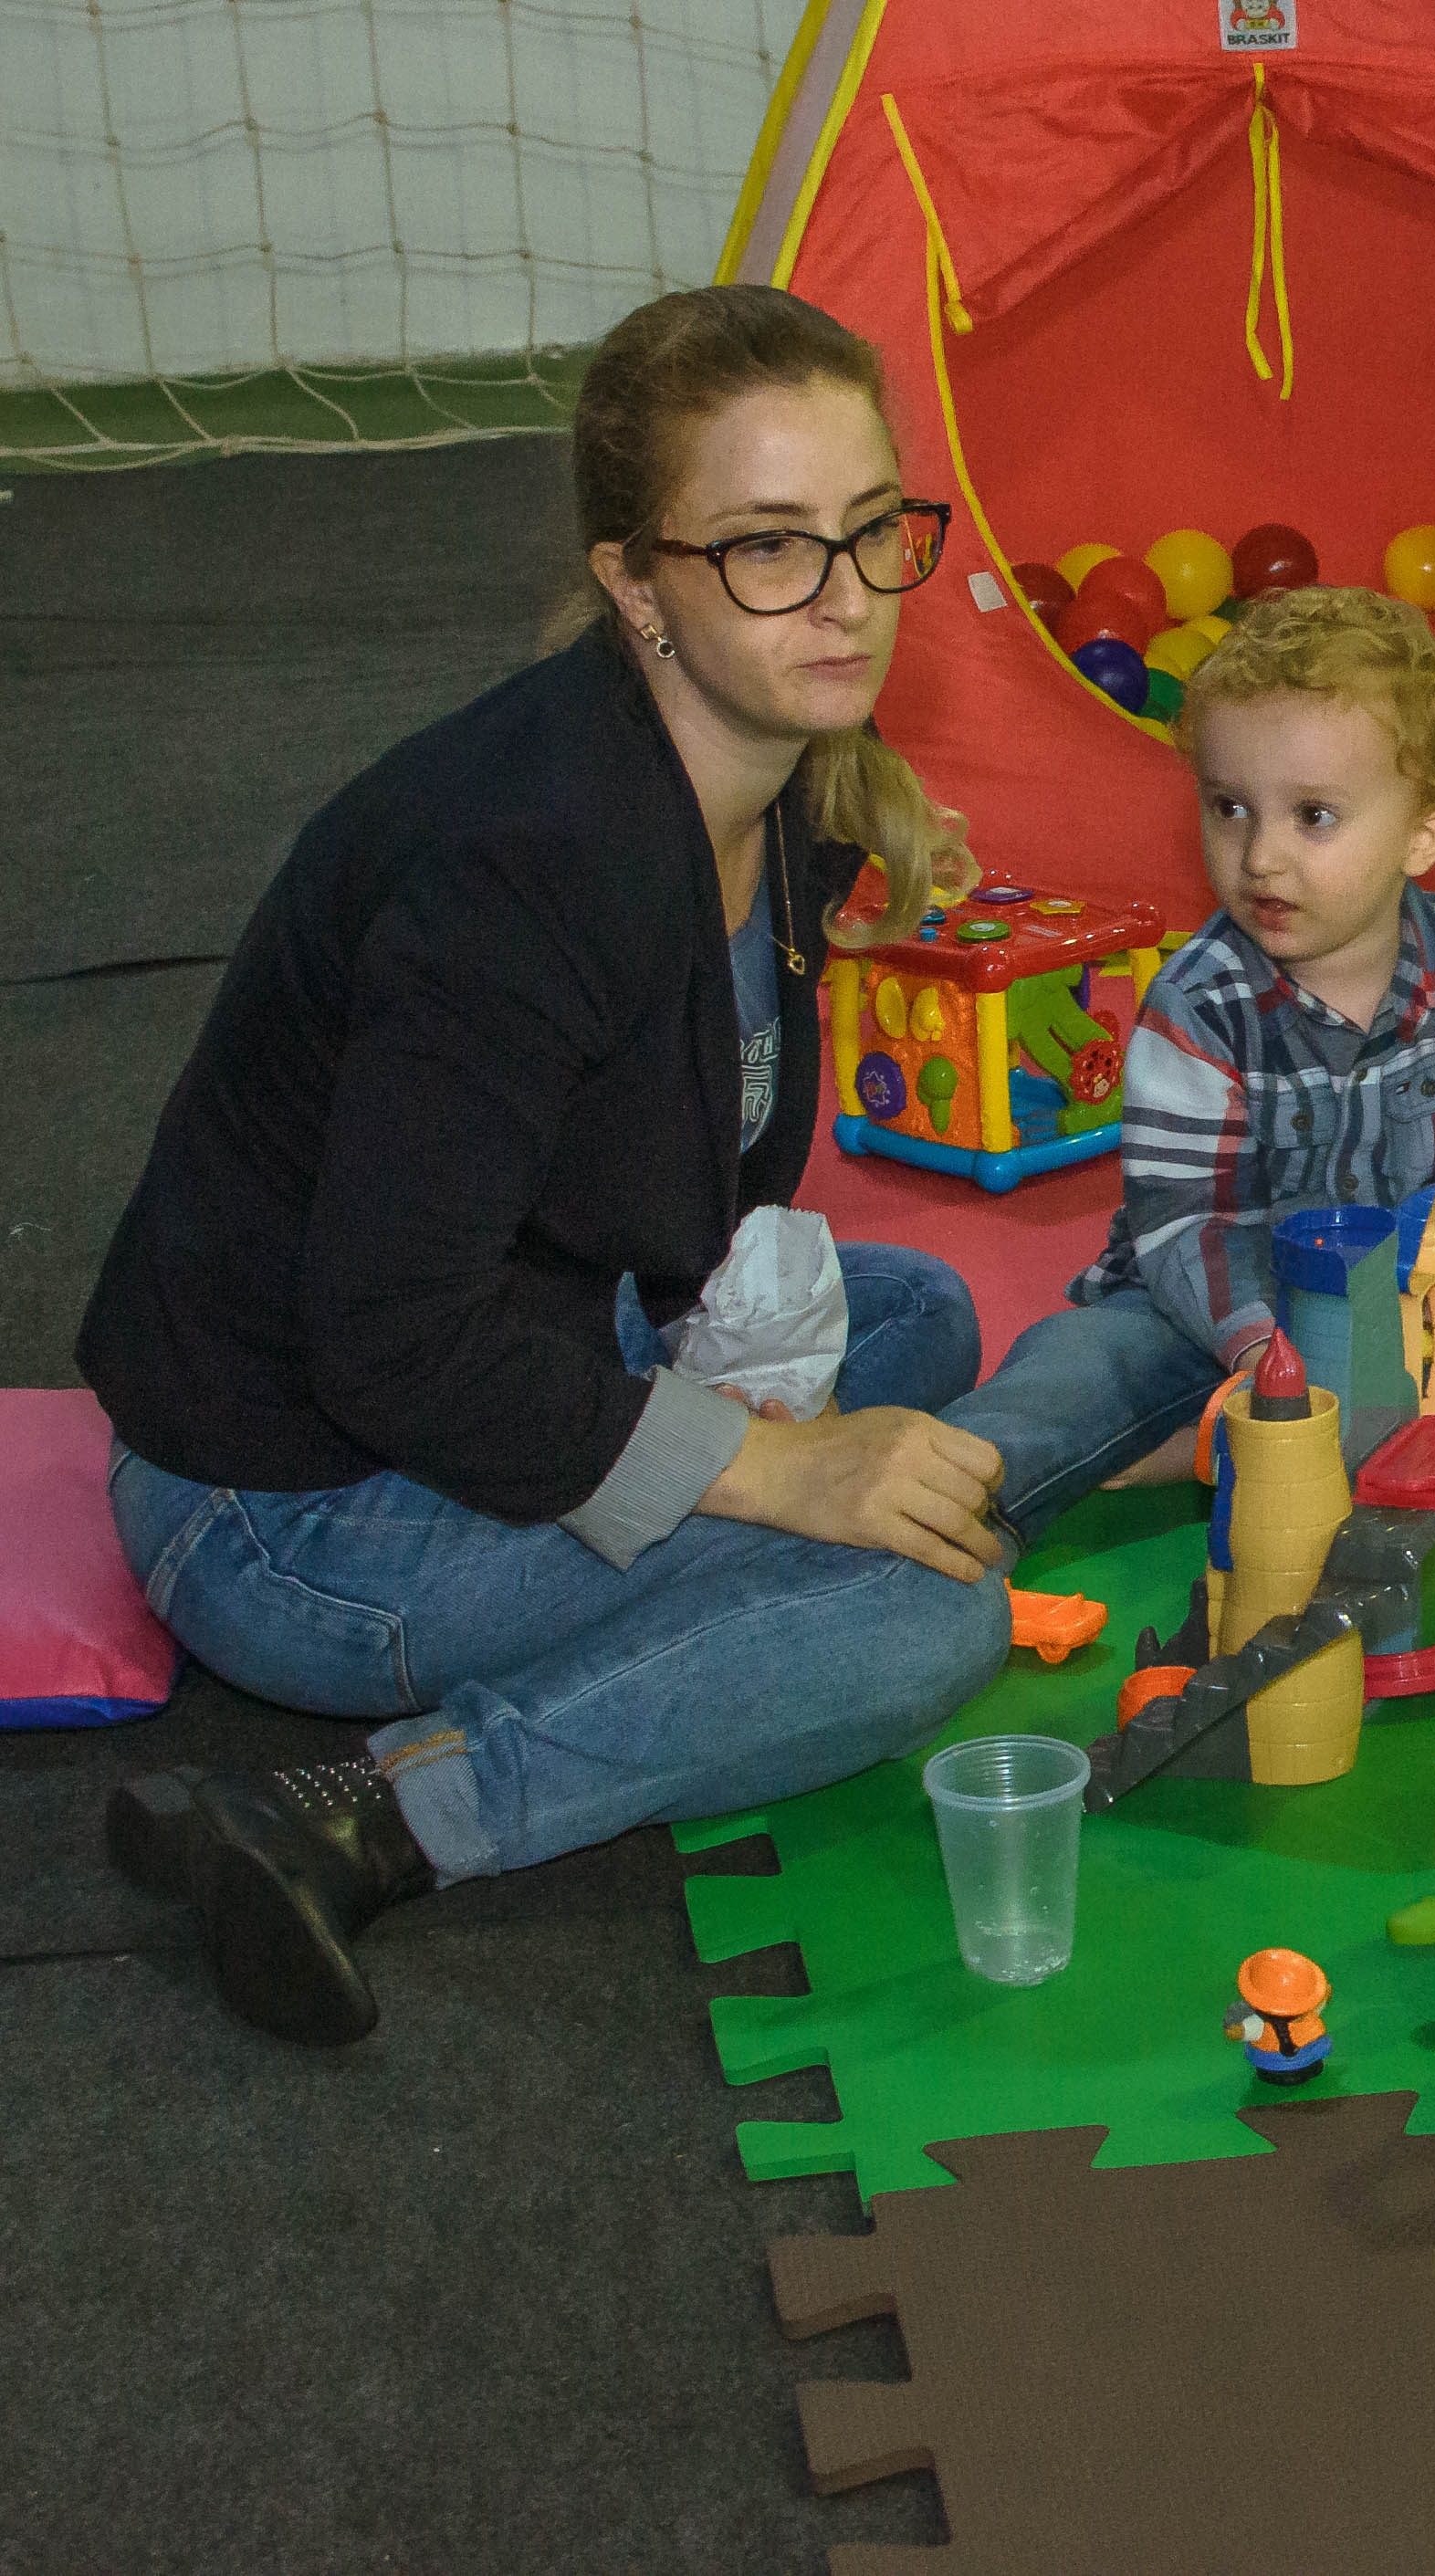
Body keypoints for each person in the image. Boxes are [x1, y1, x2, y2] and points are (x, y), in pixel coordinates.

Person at [82, 285, 1015, 2047]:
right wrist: (772, 1469)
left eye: (874, 529)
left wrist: (776, 1445)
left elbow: (683, 1193)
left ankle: (766, 1575)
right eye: (767, 546)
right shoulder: (526, 865)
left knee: (919, 1319)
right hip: (287, 1494)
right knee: (923, 1617)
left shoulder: (785, 771)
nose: (845, 595)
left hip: (528, 1328)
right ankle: (370, 1815)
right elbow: (387, 1340)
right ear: (634, 580)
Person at [939, 584, 1435, 1546]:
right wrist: (1264, 1352)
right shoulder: (1197, 1003)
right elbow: (1184, 1217)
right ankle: (952, 1503)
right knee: (1072, 1375)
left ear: (1423, 833)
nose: (1259, 857)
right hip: (1206, 1321)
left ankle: (1253, 1458)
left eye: (1313, 816)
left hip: (1415, 1319)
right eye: (1230, 808)